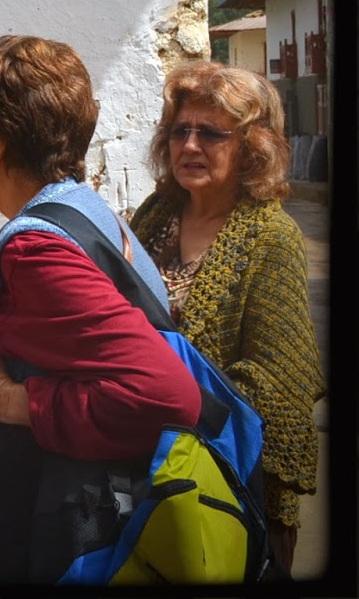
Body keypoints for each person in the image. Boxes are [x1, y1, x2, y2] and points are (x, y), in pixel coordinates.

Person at [0, 35, 202, 583]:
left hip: (80, 530)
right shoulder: (87, 210)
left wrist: (12, 401)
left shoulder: (36, 248)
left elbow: (168, 397)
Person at [128, 61, 324, 573]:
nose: (190, 146)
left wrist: (160, 397)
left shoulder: (270, 239)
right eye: (180, 131)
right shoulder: (155, 214)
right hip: (145, 470)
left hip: (228, 489)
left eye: (211, 134)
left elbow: (276, 385)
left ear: (252, 147)